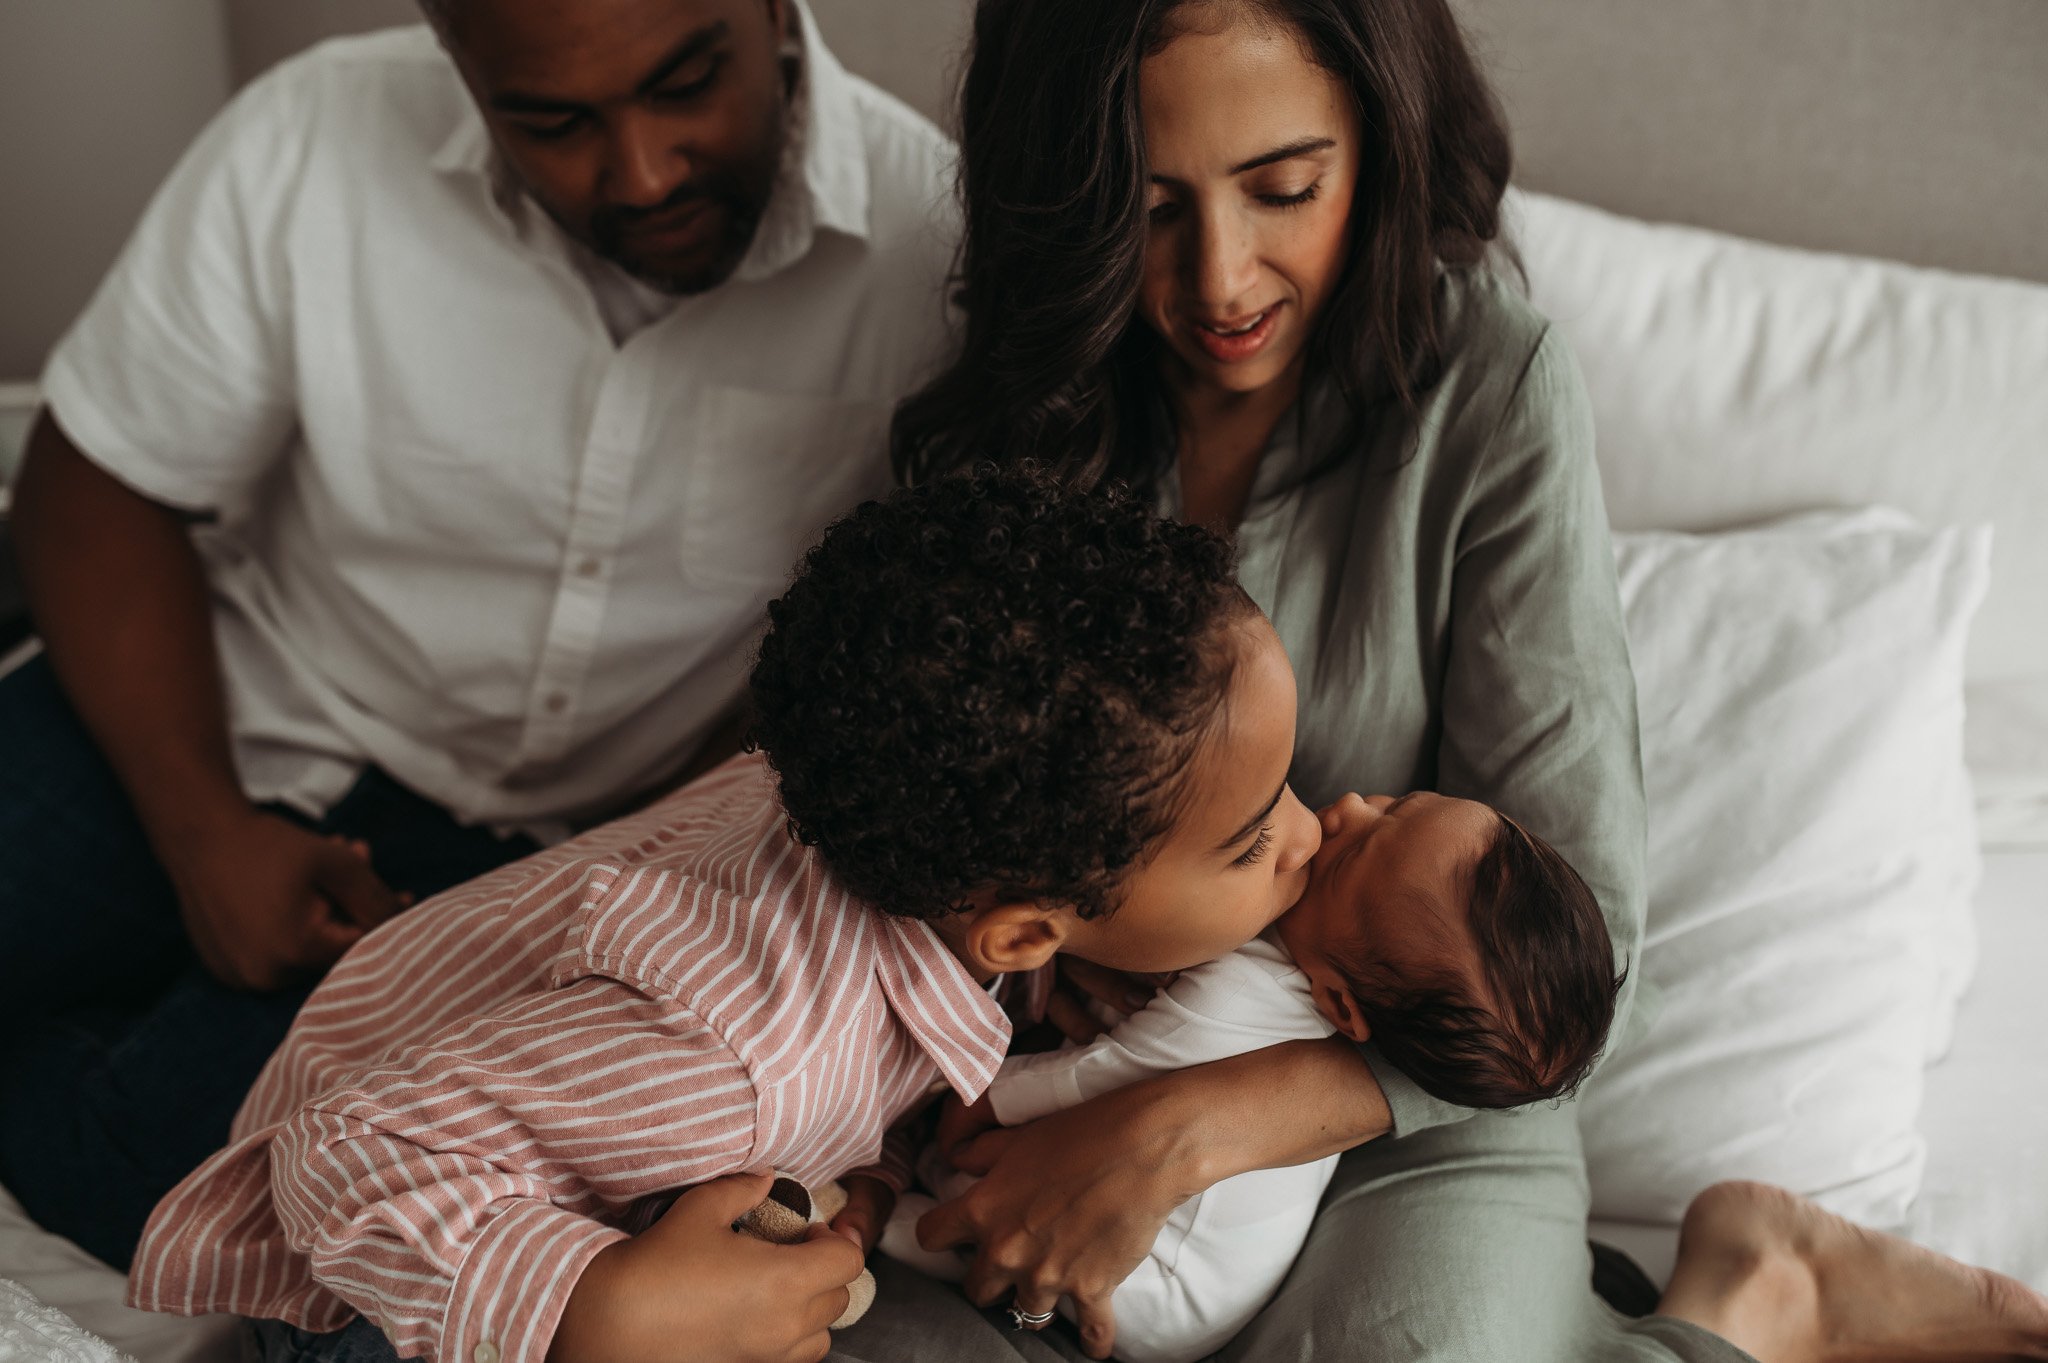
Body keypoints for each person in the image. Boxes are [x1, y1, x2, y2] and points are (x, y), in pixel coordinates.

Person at [863, 2, 2048, 1361]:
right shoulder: (1026, 398)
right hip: (1038, 1093)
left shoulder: (1485, 384)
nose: (1221, 281)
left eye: (1285, 189)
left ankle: (1755, 1297)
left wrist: (1186, 1125)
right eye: (1151, 208)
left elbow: (1590, 929)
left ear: (1381, 144)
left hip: (1399, 1101)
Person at [0, 0, 955, 1270]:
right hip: (211, 713)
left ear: (774, 12)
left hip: (528, 868)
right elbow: (92, 486)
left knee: (209, 1205)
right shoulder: (314, 131)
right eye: (551, 123)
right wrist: (204, 833)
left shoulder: (936, 250)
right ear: (457, 61)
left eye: (686, 84)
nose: (642, 171)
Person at [131, 470, 1321, 1363]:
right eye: (1253, 834)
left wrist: (868, 1159)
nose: (1311, 832)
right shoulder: (728, 1054)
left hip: (520, 1079)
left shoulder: (888, 809)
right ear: (1017, 929)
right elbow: (342, 1156)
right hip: (372, 1284)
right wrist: (598, 1310)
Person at [879, 785, 1623, 1363]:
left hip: (1169, 1293)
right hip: (1233, 1265)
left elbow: (1106, 1073)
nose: (1350, 807)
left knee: (977, 1199)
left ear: (1341, 1000)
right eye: (1399, 803)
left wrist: (986, 1098)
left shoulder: (1245, 992)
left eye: (1353, 853)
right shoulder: (1328, 967)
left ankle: (888, 1229)